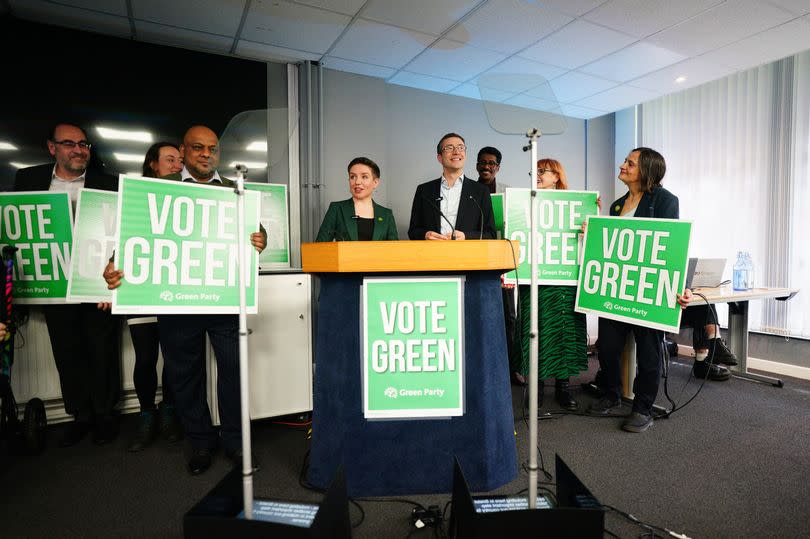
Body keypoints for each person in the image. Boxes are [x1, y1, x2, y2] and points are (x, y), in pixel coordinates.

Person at [104, 125, 266, 474]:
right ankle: (201, 443)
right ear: (184, 151)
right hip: (177, 303)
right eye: (198, 148)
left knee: (234, 376)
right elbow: (137, 232)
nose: (206, 154)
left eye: (212, 149)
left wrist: (259, 238)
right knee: (185, 378)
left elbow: (257, 231)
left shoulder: (235, 192)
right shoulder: (159, 190)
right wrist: (114, 263)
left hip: (225, 302)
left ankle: (237, 444)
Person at [14, 122, 121, 447]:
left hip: (95, 284)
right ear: (52, 148)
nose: (79, 150)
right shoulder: (29, 181)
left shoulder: (109, 184)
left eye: (84, 144)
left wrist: (110, 282)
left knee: (102, 351)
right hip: (55, 286)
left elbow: (122, 232)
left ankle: (104, 415)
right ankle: (81, 414)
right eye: (69, 143)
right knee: (67, 351)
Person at [587, 147, 691, 433]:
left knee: (649, 355)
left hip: (648, 292)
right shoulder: (617, 206)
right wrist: (594, 229)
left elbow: (671, 246)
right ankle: (610, 393)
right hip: (616, 292)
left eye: (629, 163)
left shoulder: (666, 201)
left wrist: (682, 287)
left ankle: (643, 407)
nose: (622, 165)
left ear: (645, 170)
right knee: (606, 349)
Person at [511, 159, 588, 410]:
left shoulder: (577, 206)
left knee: (563, 332)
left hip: (563, 280)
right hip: (535, 280)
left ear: (557, 176)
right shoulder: (524, 204)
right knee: (536, 331)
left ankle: (563, 388)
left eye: (542, 171)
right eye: (535, 171)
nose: (537, 175)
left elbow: (588, 243)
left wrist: (591, 223)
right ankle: (538, 388)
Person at [125, 142, 184, 451]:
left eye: (179, 160)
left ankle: (170, 411)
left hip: (176, 291)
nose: (176, 164)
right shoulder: (136, 196)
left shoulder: (187, 196)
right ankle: (147, 413)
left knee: (174, 358)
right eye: (169, 159)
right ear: (152, 164)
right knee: (146, 356)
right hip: (141, 289)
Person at [476, 146, 520, 385]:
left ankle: (511, 368)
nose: (486, 166)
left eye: (491, 163)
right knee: (478, 316)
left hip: (503, 264)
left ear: (498, 168)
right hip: (476, 262)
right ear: (476, 165)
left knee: (509, 318)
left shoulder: (510, 194)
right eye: (482, 162)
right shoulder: (467, 191)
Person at [408, 133, 496, 241]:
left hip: (467, 255)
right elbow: (413, 231)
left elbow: (491, 234)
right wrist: (425, 235)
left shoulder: (480, 191)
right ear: (440, 158)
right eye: (449, 148)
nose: (456, 152)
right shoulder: (424, 190)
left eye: (461, 147)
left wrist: (466, 236)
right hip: (432, 254)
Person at [315, 157, 398, 241]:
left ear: (375, 182)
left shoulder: (387, 215)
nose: (357, 182)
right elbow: (320, 246)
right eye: (352, 177)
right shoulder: (337, 209)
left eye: (364, 177)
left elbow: (394, 250)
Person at [680, 304, 737, 380]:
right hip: (664, 314)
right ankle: (714, 345)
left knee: (703, 304)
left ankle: (703, 361)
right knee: (702, 307)